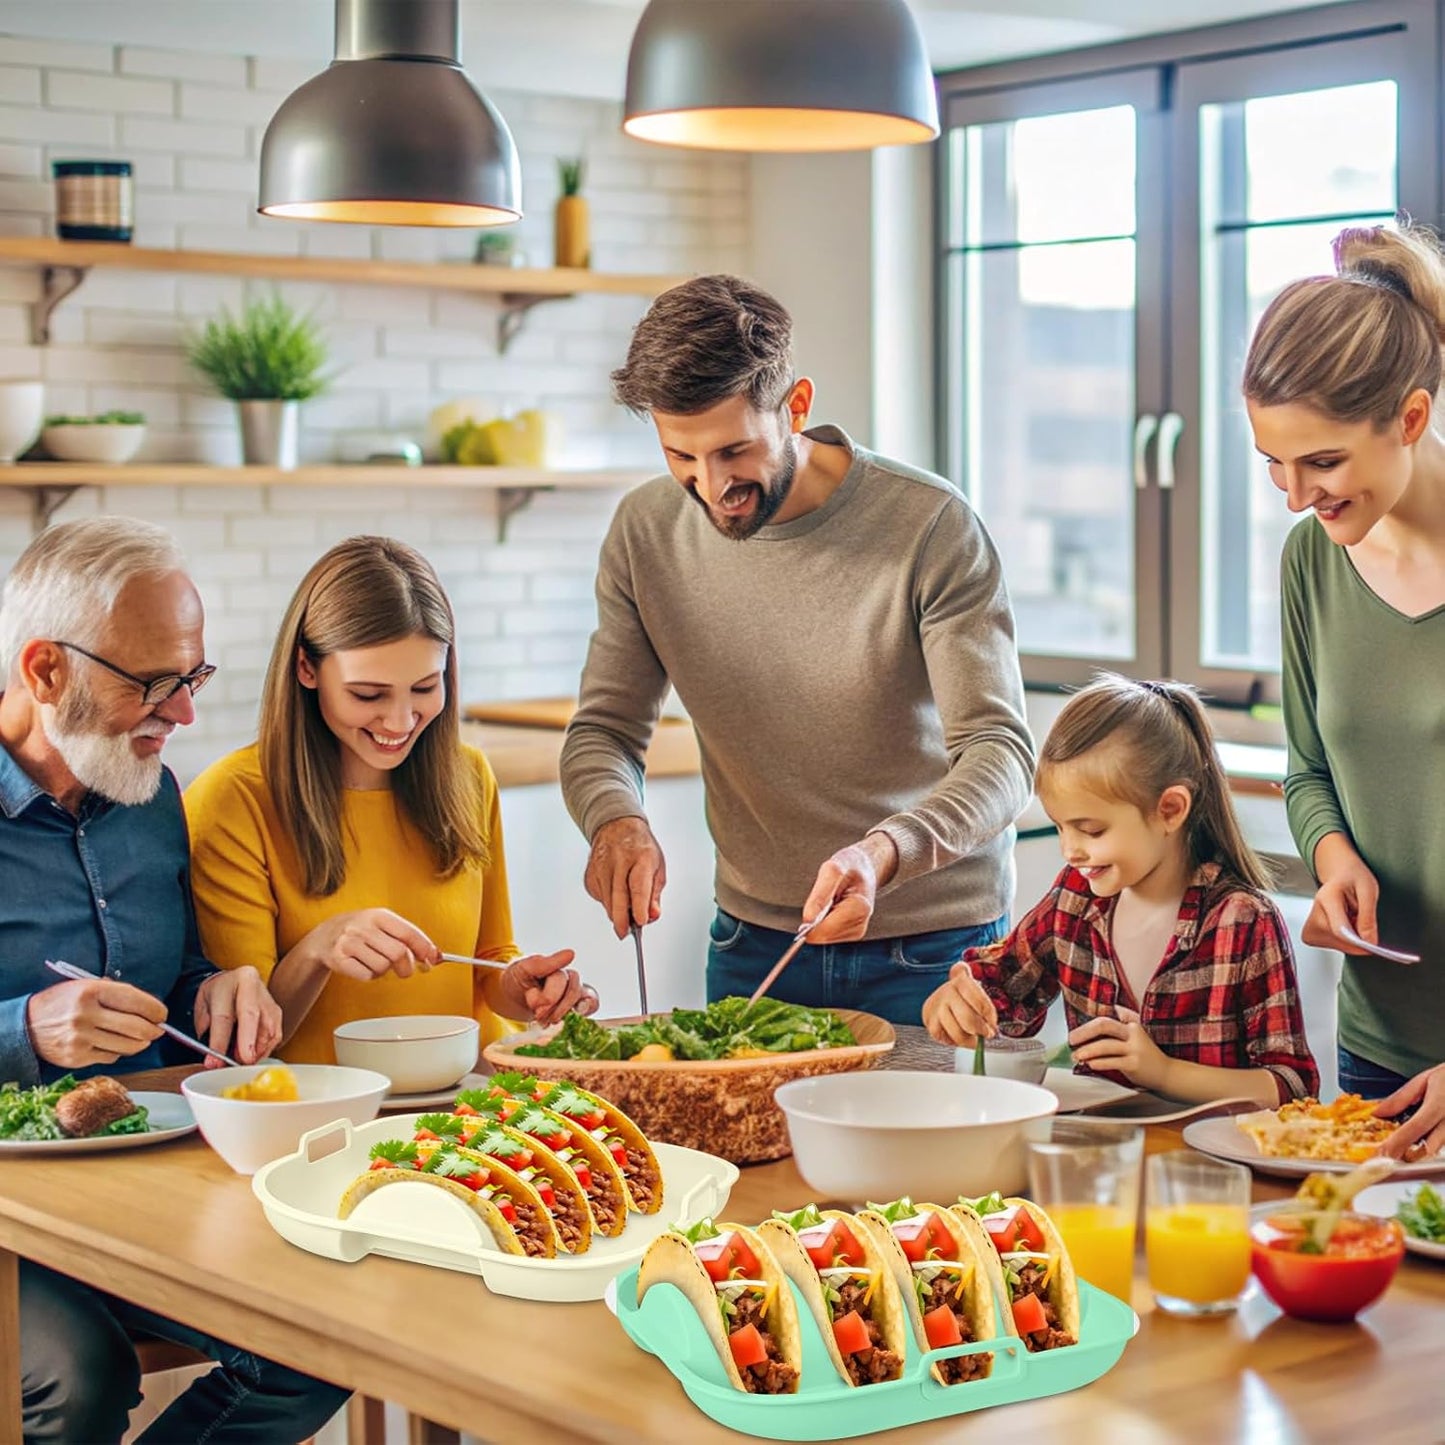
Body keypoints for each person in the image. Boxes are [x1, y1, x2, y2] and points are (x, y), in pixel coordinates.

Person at [560, 273, 1035, 1025]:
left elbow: (1001, 754)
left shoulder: (928, 524)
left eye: (732, 451)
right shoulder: (643, 532)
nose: (710, 486)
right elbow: (604, 733)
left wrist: (882, 853)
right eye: (679, 455)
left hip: (931, 949)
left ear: (797, 406)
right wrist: (615, 819)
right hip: (753, 945)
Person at [0, 516, 347, 1443]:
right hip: (8, 1212)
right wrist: (24, 1031)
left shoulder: (147, 793)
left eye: (191, 676)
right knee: (77, 1378)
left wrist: (220, 984)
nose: (184, 713)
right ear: (44, 671)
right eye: (153, 683)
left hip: (144, 1180)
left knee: (320, 1336)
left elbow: (181, 967)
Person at [185, 536, 593, 1063]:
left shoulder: (469, 776)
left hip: (464, 1106)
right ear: (306, 669)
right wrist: (318, 949)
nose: (400, 722)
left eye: (425, 687)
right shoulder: (232, 800)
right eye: (368, 695)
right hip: (322, 1118)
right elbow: (245, 1038)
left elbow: (488, 960)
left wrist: (525, 990)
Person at [1242, 222, 1445, 1117]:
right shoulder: (1310, 559)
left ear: (1409, 417)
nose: (1296, 496)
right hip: (1376, 1048)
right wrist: (1330, 859)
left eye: (1322, 461)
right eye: (1273, 465)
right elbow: (1308, 767)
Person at [922, 675, 1319, 1107]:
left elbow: (1291, 1089)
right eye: (1060, 826)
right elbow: (1001, 992)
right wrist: (954, 1000)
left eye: (1090, 829)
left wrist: (1163, 1072)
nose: (1070, 850)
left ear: (1170, 810)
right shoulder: (1075, 898)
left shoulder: (1242, 920)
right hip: (1099, 1155)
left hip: (1205, 1167)